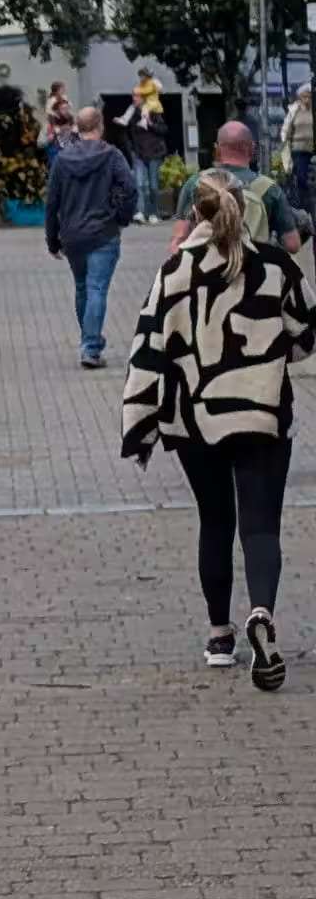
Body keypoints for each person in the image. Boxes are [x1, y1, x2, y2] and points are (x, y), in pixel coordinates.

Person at [123, 172, 316, 686]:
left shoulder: (175, 269)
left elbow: (149, 347)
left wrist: (140, 425)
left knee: (215, 521)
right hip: (262, 412)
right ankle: (262, 614)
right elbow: (306, 332)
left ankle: (218, 635)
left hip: (193, 419)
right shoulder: (275, 265)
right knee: (260, 526)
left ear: (196, 213)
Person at [44, 103, 137, 368]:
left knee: (83, 288)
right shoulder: (112, 156)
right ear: (100, 127)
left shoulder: (62, 160)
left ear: (78, 127)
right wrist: (121, 218)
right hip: (103, 232)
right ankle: (91, 347)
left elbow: (52, 203)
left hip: (73, 236)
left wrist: (53, 240)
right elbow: (129, 189)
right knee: (97, 288)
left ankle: (88, 341)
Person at [170, 121, 300, 256]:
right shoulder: (270, 189)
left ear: (217, 150)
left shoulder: (196, 183)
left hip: (206, 270)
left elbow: (179, 241)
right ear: (252, 149)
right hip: (254, 271)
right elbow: (293, 245)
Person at [125, 92, 167, 224]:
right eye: (133, 97)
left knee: (153, 186)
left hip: (154, 154)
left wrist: (149, 123)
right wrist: (131, 149)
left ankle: (153, 213)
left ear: (143, 99)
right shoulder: (133, 115)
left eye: (136, 97)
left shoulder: (154, 113)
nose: (133, 99)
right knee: (139, 184)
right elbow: (128, 133)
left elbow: (163, 129)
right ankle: (140, 212)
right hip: (139, 154)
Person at [281, 84, 314, 216]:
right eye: (304, 96)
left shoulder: (313, 110)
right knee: (300, 177)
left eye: (309, 97)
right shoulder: (294, 110)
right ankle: (303, 204)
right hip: (298, 150)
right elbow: (286, 132)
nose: (307, 99)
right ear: (299, 97)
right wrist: (285, 147)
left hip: (311, 148)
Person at [43, 82, 75, 157]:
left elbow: (70, 106)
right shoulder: (52, 100)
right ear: (57, 90)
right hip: (55, 120)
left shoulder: (64, 97)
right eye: (62, 88)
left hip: (64, 122)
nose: (64, 90)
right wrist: (55, 119)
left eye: (64, 88)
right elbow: (49, 112)